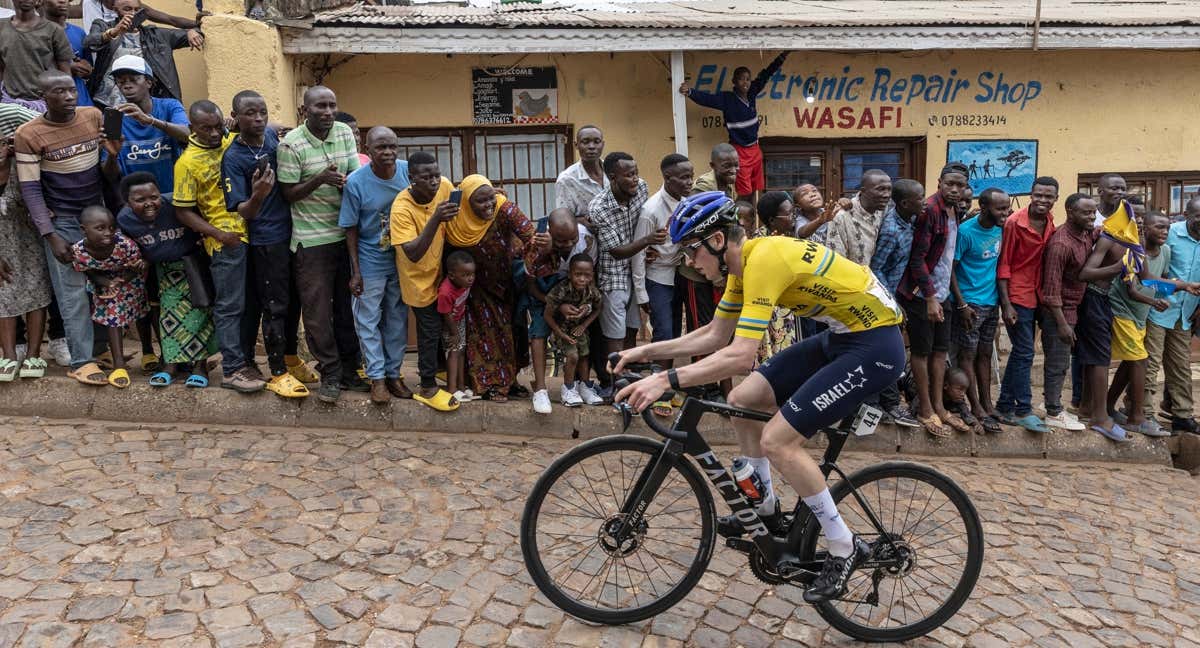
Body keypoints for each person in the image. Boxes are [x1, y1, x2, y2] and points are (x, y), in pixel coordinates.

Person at [613, 194, 906, 603]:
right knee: (745, 397)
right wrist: (644, 352)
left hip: (875, 347)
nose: (689, 264)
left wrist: (665, 380)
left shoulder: (766, 259)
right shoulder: (742, 263)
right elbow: (715, 336)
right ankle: (765, 508)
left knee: (777, 441)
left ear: (716, 240)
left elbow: (740, 354)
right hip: (843, 337)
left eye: (690, 252)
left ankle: (845, 545)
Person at [15, 70, 111, 385]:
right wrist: (50, 235)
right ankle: (81, 362)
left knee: (103, 285)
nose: (69, 97)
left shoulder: (92, 116)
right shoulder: (29, 134)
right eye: (59, 92)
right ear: (44, 97)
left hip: (98, 217)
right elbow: (30, 189)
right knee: (71, 293)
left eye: (71, 90)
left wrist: (111, 151)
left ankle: (100, 350)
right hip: (64, 221)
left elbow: (107, 170)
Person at [277, 85, 364, 402]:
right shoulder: (291, 145)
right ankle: (329, 372)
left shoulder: (342, 131)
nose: (327, 112)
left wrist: (347, 184)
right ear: (305, 111)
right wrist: (320, 180)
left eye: (332, 105)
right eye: (320, 107)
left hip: (345, 235)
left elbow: (355, 175)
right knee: (316, 313)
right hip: (311, 240)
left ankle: (350, 372)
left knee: (345, 310)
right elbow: (288, 194)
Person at [221, 90, 307, 398]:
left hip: (292, 233)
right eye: (250, 114)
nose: (258, 119)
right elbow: (241, 209)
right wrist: (258, 195)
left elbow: (279, 128)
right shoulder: (233, 157)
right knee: (274, 306)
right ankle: (278, 373)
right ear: (236, 116)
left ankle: (290, 358)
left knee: (294, 300)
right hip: (264, 240)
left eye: (262, 112)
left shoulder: (271, 138)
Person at [173, 99, 262, 394]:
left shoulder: (233, 142)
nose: (213, 134)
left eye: (218, 126)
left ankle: (247, 361)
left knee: (251, 305)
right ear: (192, 129)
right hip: (226, 243)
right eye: (205, 128)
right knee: (229, 307)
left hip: (256, 235)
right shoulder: (187, 163)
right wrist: (218, 234)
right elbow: (183, 212)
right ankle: (232, 369)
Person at [116, 171, 214, 387]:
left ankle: (200, 367)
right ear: (128, 202)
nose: (149, 203)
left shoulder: (177, 205)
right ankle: (170, 365)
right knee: (168, 319)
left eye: (154, 197)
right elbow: (133, 249)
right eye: (140, 200)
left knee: (200, 316)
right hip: (165, 272)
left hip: (193, 266)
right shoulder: (124, 220)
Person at [338, 125, 411, 404]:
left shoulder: (407, 171)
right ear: (368, 150)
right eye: (381, 147)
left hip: (402, 261)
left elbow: (437, 190)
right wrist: (355, 271)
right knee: (367, 322)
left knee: (396, 320)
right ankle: (377, 378)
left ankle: (394, 375)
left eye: (392, 146)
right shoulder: (357, 182)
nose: (388, 152)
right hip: (370, 261)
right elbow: (351, 228)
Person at [1109, 211, 1194, 437]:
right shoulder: (1134, 249)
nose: (1164, 232)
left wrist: (1173, 289)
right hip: (1128, 310)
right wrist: (1181, 286)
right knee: (1142, 360)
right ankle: (1139, 415)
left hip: (1154, 312)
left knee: (1134, 363)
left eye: (1166, 228)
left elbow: (1159, 279)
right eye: (1159, 227)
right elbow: (1138, 285)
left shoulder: (1165, 250)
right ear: (1144, 228)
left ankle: (1109, 406)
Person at [898, 163, 967, 438]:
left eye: (959, 185)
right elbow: (917, 260)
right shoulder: (930, 211)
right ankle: (925, 408)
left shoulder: (955, 211)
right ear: (939, 183)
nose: (954, 189)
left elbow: (946, 257)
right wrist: (929, 298)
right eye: (949, 184)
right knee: (922, 352)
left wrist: (945, 297)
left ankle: (939, 405)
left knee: (941, 351)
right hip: (920, 294)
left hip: (943, 292)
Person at [391, 151, 458, 411]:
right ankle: (428, 386)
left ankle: (440, 371)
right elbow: (413, 252)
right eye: (426, 177)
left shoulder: (444, 186)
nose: (434, 181)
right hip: (417, 277)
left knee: (443, 324)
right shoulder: (401, 207)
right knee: (428, 331)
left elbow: (459, 199)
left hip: (442, 270)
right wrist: (435, 219)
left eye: (436, 175)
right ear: (411, 179)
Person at [995, 177, 1058, 433]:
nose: (1043, 200)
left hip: (1038, 293)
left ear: (1055, 199)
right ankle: (1023, 409)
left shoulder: (1051, 221)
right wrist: (1006, 304)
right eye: (1038, 195)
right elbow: (1004, 263)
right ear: (1031, 195)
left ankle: (1003, 406)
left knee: (1023, 352)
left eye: (1048, 196)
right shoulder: (1013, 223)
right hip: (1017, 294)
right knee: (1024, 351)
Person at [679, 52, 788, 201]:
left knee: (755, 189)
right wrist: (690, 92)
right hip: (740, 152)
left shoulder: (752, 93)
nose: (746, 82)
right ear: (734, 81)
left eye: (748, 79)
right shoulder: (727, 99)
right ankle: (741, 218)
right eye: (742, 79)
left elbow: (766, 74)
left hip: (755, 149)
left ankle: (752, 217)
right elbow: (707, 99)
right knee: (744, 192)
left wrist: (782, 56)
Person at [590, 152, 657, 395]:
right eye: (629, 175)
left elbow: (646, 221)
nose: (636, 179)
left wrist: (648, 248)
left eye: (636, 173)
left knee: (631, 327)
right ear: (612, 177)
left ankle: (628, 379)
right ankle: (612, 384)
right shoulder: (599, 208)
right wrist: (647, 240)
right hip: (614, 272)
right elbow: (616, 251)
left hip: (638, 267)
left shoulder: (641, 189)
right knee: (615, 334)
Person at [525, 209, 598, 414]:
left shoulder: (588, 241)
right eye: (560, 241)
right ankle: (540, 389)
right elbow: (531, 287)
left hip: (574, 296)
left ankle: (581, 384)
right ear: (549, 233)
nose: (567, 245)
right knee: (538, 332)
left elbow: (591, 277)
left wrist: (584, 305)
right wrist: (556, 305)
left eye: (571, 240)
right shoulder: (535, 248)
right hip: (544, 293)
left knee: (581, 339)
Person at [950, 187, 1009, 434]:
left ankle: (987, 403)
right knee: (967, 355)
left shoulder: (1000, 229)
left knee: (985, 353)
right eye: (1000, 208)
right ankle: (974, 406)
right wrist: (961, 304)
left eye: (1006, 208)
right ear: (984, 208)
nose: (1006, 213)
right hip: (970, 304)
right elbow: (951, 269)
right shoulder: (965, 232)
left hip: (991, 301)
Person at [867, 179, 925, 429]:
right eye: (920, 198)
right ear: (905, 203)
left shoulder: (909, 220)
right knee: (889, 353)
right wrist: (891, 302)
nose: (924, 201)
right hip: (883, 299)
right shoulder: (891, 230)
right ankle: (885, 405)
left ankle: (886, 404)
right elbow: (876, 268)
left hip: (897, 296)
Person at [0, 103, 51, 382]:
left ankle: (33, 353)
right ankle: (7, 354)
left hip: (30, 233)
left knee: (36, 287)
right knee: (2, 291)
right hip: (1, 241)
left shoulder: (14, 117)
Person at [71, 205, 148, 389]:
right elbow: (87, 271)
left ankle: (148, 351)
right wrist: (106, 283)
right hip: (103, 283)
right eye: (100, 228)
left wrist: (122, 281)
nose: (108, 233)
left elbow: (138, 266)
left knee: (142, 313)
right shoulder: (79, 251)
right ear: (84, 229)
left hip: (131, 280)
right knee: (113, 316)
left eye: (111, 228)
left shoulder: (125, 245)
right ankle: (119, 365)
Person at [631, 153, 691, 389]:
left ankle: (669, 384)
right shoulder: (651, 210)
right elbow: (638, 252)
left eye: (691, 177)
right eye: (684, 178)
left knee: (675, 333)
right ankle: (657, 388)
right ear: (668, 178)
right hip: (657, 278)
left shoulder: (688, 202)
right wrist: (641, 293)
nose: (689, 182)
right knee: (663, 332)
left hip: (681, 274)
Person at [1039, 193, 1096, 433]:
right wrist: (1062, 324)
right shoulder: (1061, 243)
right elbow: (1050, 292)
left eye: (1094, 212)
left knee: (1065, 362)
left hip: (1076, 307)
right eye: (1086, 212)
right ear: (1070, 212)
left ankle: (1049, 403)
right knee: (1057, 362)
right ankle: (1053, 411)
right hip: (1059, 311)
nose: (1092, 217)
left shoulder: (1086, 233)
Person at [1144, 197, 1200, 435]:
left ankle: (1183, 415)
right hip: (1160, 308)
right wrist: (1172, 290)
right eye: (1198, 215)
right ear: (1186, 214)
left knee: (1180, 366)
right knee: (1150, 363)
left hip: (1186, 313)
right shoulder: (1170, 233)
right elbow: (1153, 272)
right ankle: (1143, 412)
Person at [84, 0, 202, 108]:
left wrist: (191, 31)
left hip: (145, 104)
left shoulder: (156, 35)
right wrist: (114, 32)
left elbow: (200, 31)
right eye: (127, 9)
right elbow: (90, 43)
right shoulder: (102, 25)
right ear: (115, 10)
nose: (133, 13)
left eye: (137, 10)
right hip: (107, 103)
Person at [99, 55, 188, 191]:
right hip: (136, 201)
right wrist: (112, 155)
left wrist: (151, 120)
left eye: (134, 79)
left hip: (174, 195)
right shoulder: (114, 118)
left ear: (149, 82)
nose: (127, 85)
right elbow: (111, 176)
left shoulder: (169, 106)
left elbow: (188, 135)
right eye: (121, 81)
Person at [545, 253, 604, 407]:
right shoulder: (561, 290)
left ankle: (585, 388)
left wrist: (584, 325)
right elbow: (547, 315)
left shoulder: (591, 291)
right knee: (572, 357)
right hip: (562, 330)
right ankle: (568, 390)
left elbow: (599, 308)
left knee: (584, 356)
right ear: (570, 274)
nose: (582, 279)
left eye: (587, 275)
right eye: (578, 275)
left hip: (579, 330)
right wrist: (560, 334)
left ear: (592, 276)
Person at [752, 191, 799, 364]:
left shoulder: (786, 236)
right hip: (769, 309)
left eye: (794, 212)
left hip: (785, 307)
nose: (793, 217)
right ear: (772, 220)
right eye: (789, 214)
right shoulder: (760, 241)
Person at [0, 0, 73, 111]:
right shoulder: (2, 27)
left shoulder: (53, 30)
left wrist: (66, 105)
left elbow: (65, 73)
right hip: (9, 103)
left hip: (44, 104)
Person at [824, 169, 892, 266]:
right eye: (880, 189)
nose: (887, 195)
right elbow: (836, 259)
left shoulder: (882, 209)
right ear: (863, 191)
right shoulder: (841, 216)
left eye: (889, 189)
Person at [43, 0, 95, 108]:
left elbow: (88, 66)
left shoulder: (79, 32)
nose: (62, 1)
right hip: (51, 103)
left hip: (82, 100)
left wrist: (86, 69)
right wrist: (68, 66)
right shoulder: (35, 32)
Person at [438, 250, 474, 404]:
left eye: (472, 274)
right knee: (453, 351)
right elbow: (445, 314)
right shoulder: (445, 292)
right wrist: (454, 333)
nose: (470, 278)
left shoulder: (464, 283)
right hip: (449, 324)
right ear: (452, 275)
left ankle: (461, 385)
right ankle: (451, 389)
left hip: (459, 319)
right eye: (466, 275)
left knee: (461, 350)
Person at [555, 125, 607, 226]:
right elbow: (562, 219)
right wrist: (581, 221)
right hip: (587, 238)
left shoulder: (613, 169)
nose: (591, 146)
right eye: (585, 142)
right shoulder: (566, 179)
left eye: (597, 141)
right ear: (576, 145)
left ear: (603, 144)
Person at [941, 367, 980, 432]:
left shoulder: (958, 399)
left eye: (965, 390)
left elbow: (965, 411)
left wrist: (975, 423)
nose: (963, 394)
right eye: (960, 389)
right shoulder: (936, 395)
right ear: (945, 385)